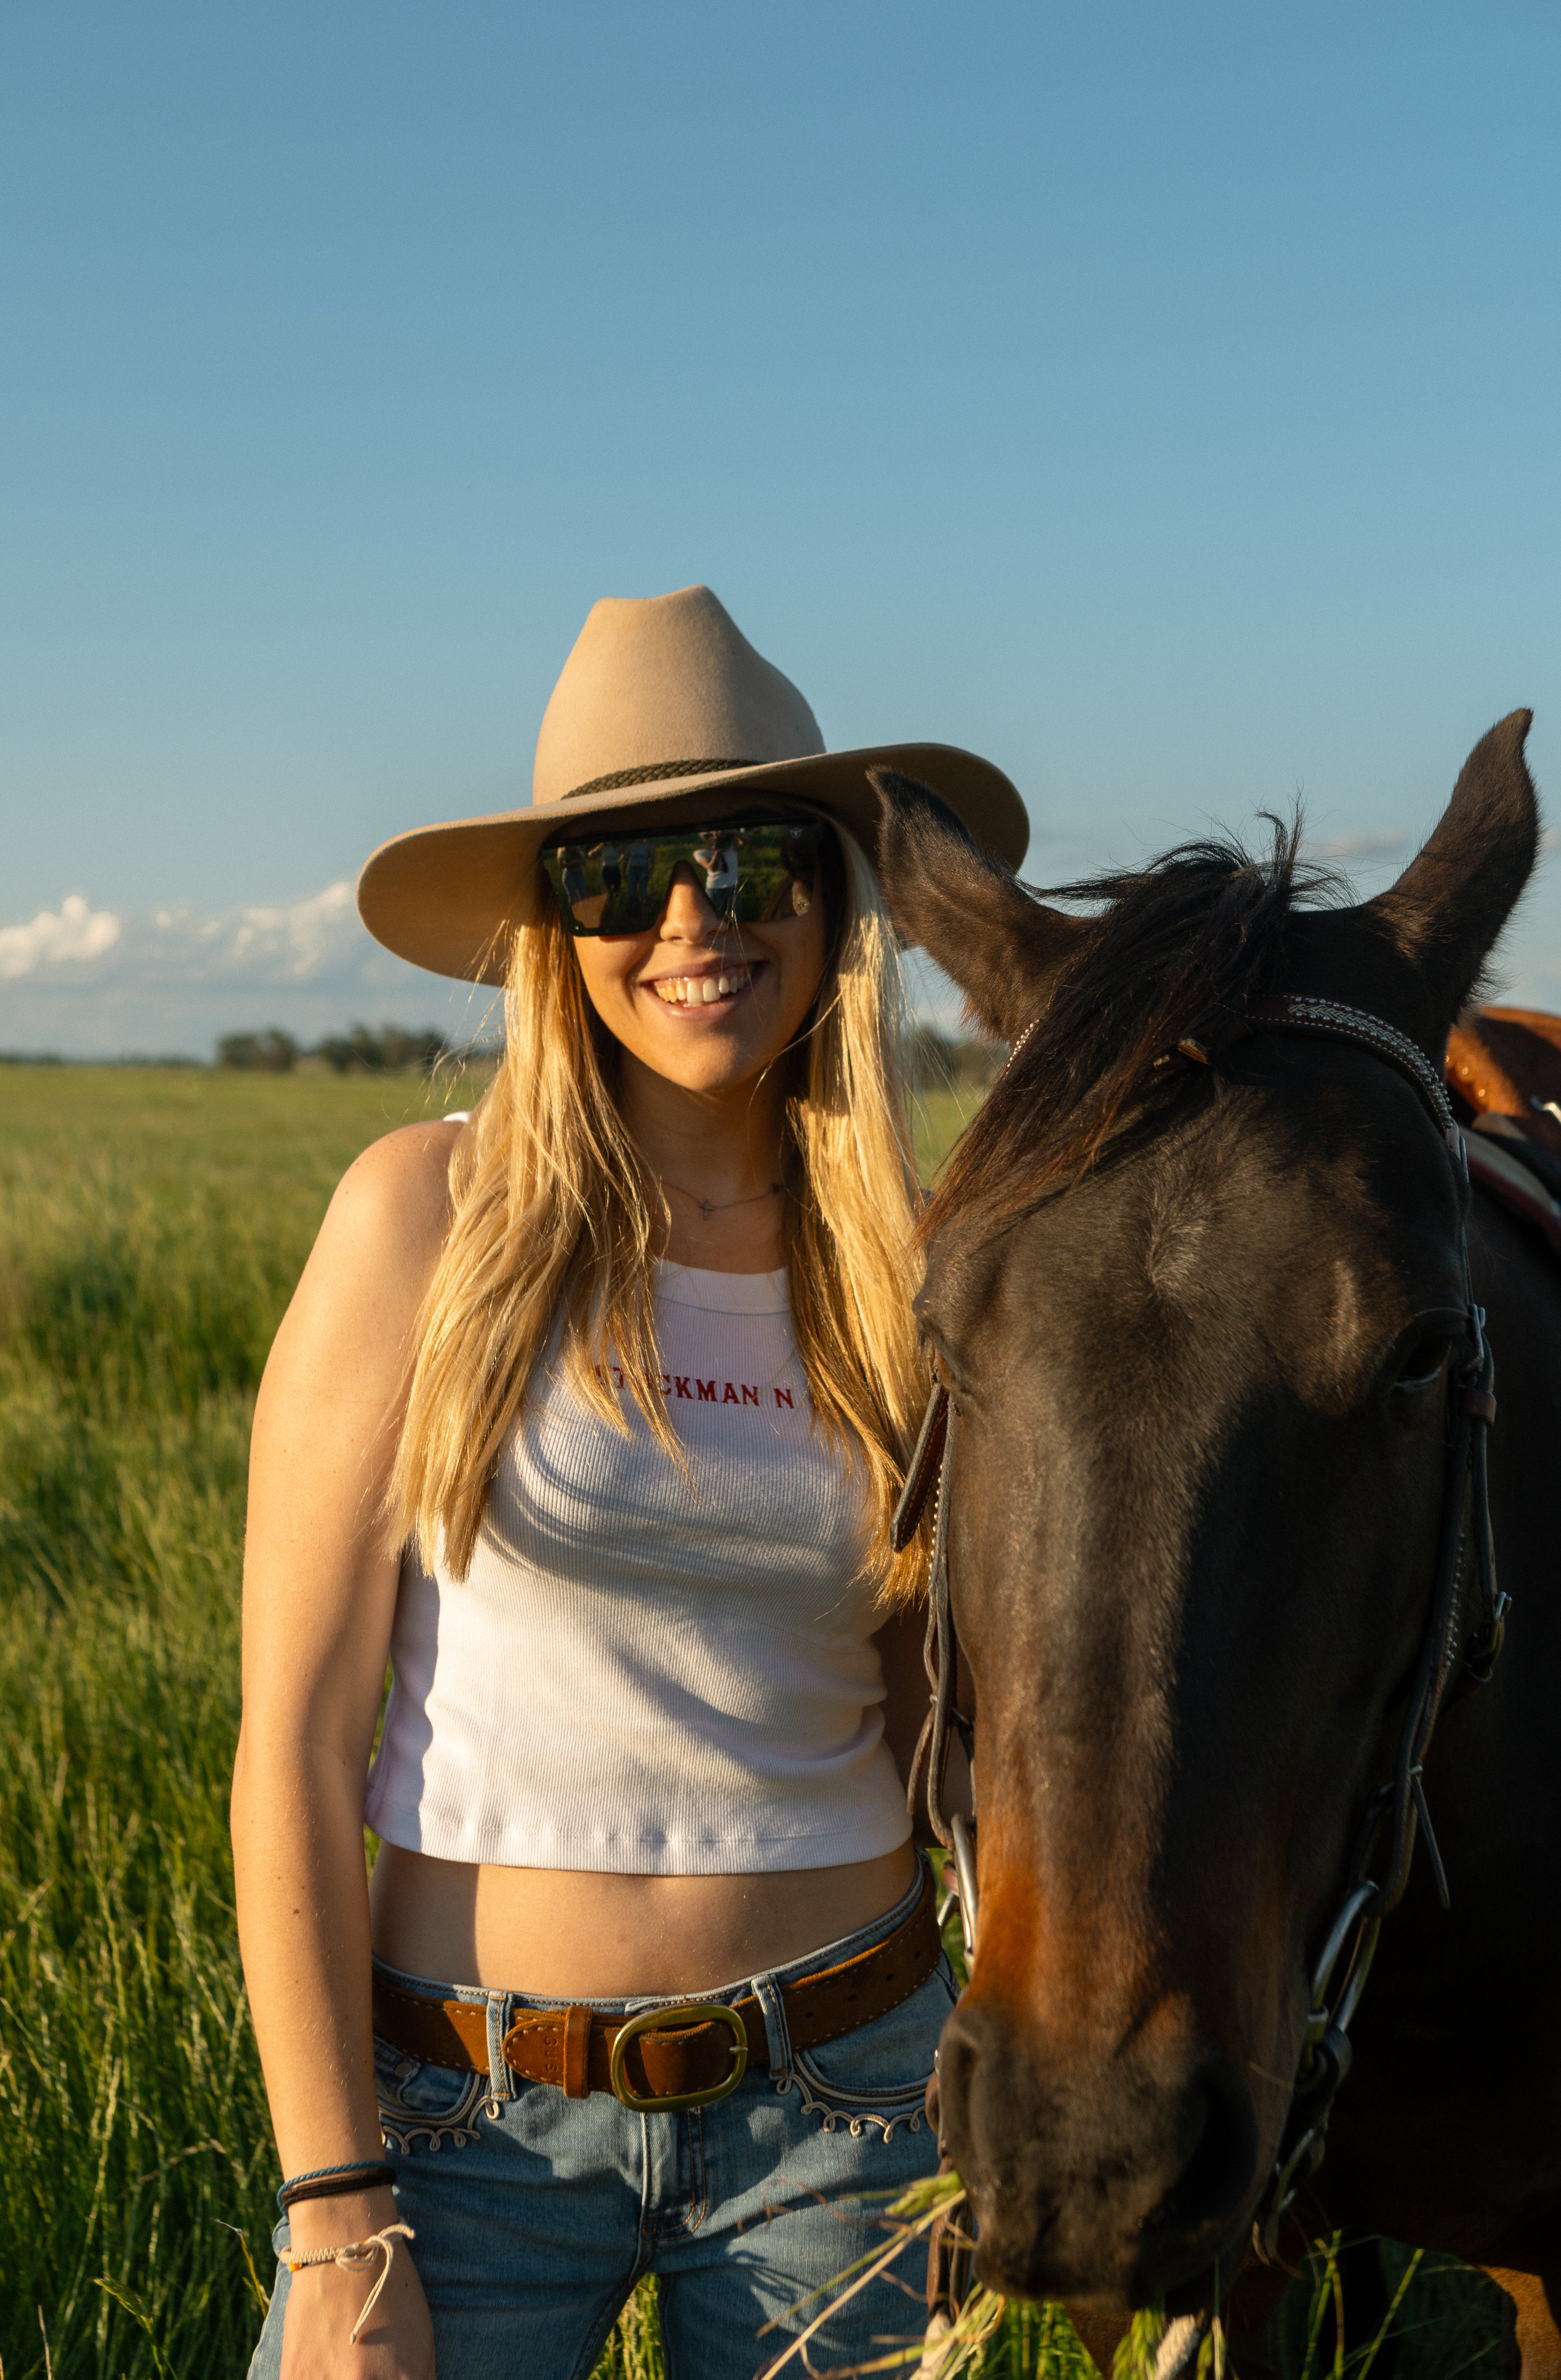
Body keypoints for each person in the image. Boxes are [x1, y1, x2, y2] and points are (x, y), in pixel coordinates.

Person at [233, 584, 1028, 2378]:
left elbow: (938, 1709)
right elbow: (294, 1740)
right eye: (620, 875)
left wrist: (1012, 2046)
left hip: (854, 2102)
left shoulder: (911, 1262)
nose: (693, 923)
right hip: (468, 2121)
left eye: (750, 866)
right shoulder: (423, 1220)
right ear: (552, 927)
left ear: (831, 902)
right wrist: (337, 2207)